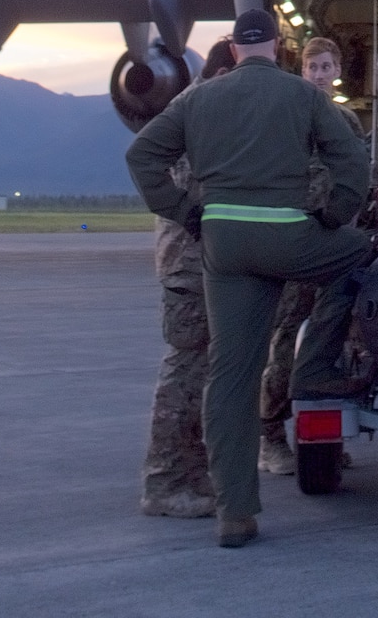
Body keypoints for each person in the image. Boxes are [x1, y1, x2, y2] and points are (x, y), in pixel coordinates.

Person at [126, 7, 371, 549]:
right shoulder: (303, 96)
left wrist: (186, 211)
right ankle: (313, 374)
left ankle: (235, 513)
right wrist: (335, 215)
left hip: (222, 249)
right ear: (282, 49)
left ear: (234, 50)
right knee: (365, 258)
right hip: (289, 238)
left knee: (230, 377)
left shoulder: (197, 97)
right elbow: (352, 160)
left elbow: (141, 154)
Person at [258, 34, 364, 477]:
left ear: (338, 70)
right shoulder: (290, 115)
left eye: (326, 66)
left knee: (334, 342)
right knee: (285, 340)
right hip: (296, 242)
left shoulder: (348, 121)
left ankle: (324, 437)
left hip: (335, 242)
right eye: (312, 67)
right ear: (301, 72)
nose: (319, 74)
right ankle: (270, 435)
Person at [139, 36, 236, 518]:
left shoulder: (201, 110)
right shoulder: (191, 113)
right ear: (223, 76)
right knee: (186, 369)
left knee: (201, 370)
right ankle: (165, 481)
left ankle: (190, 474)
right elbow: (159, 171)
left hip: (202, 262)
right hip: (188, 264)